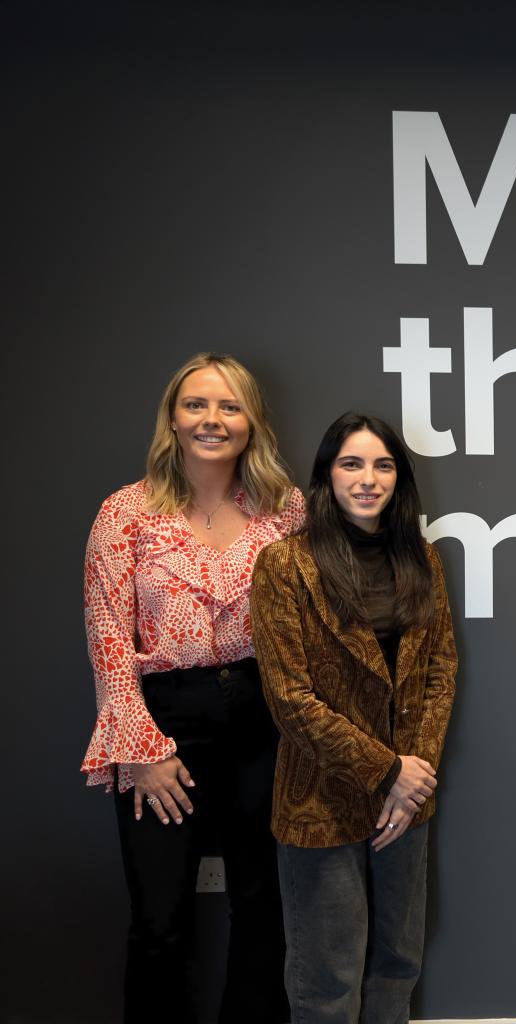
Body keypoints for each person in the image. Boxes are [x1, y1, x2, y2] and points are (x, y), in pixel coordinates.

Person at [82, 353, 302, 1023]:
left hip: (264, 716)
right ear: (173, 419)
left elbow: (308, 623)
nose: (212, 419)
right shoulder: (125, 512)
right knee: (159, 914)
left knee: (264, 905)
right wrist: (142, 747)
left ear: (251, 422)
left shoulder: (286, 510)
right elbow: (107, 634)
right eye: (197, 404)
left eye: (229, 406)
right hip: (162, 718)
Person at [251, 412, 458, 1024]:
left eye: (383, 464)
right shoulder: (285, 565)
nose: (368, 479)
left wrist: (413, 778)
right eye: (351, 463)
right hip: (321, 797)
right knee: (328, 977)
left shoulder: (422, 560)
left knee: (398, 964)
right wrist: (387, 770)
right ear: (327, 476)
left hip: (407, 799)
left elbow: (439, 670)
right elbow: (290, 698)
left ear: (399, 477)